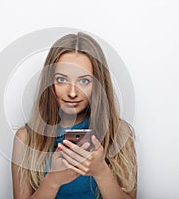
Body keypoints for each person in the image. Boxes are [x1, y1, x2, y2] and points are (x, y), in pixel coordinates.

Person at [12, 32, 137, 199]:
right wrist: (53, 180)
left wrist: (101, 172)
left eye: (84, 81)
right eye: (62, 80)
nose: (72, 93)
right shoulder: (26, 138)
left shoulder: (119, 133)